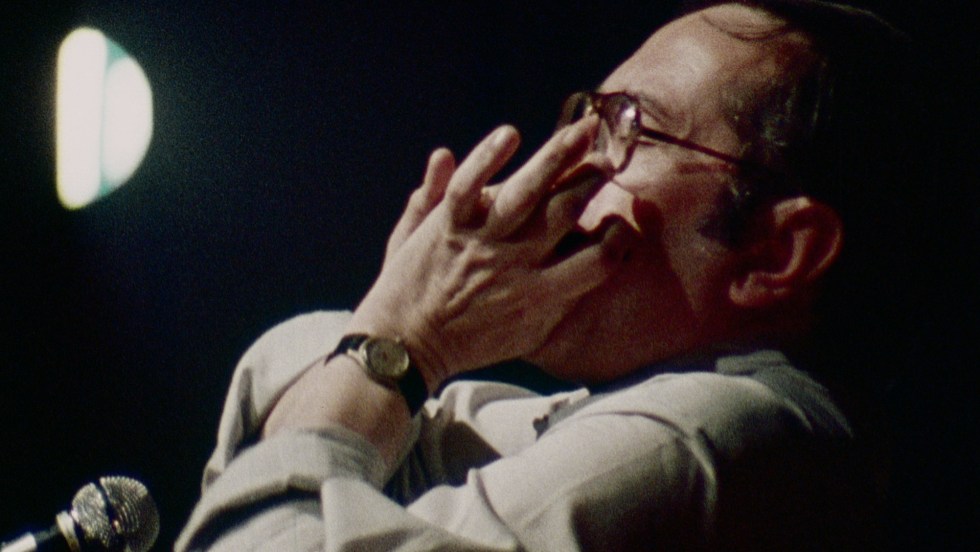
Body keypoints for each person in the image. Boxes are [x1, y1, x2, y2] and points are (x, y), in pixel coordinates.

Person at [176, 1, 916, 550]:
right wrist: (390, 339)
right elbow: (298, 414)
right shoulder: (683, 413)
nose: (564, 170)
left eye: (631, 127)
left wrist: (402, 339)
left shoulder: (717, 438)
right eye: (584, 120)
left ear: (775, 254)